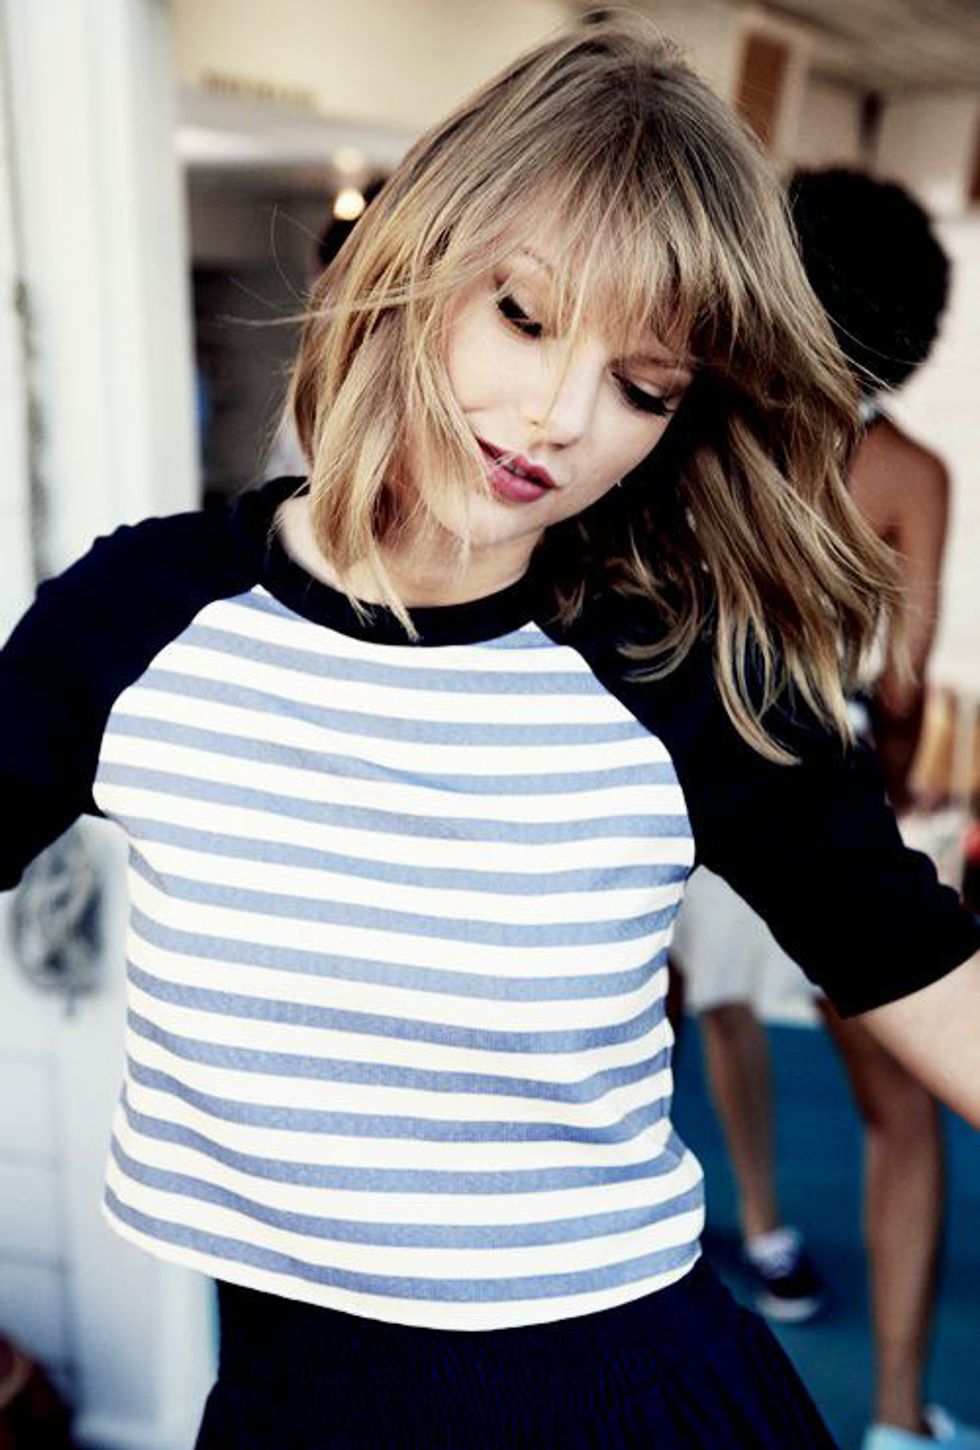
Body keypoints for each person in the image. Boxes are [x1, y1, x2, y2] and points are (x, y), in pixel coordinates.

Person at [2, 23, 979, 1449]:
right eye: (522, 315)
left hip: (618, 1407)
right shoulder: (140, 619)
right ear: (417, 261)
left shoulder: (682, 676)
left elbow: (931, 981)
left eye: (642, 387)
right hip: (283, 1409)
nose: (557, 418)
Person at [672, 170, 980, 1450]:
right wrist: (906, 771)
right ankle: (900, 1417)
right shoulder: (906, 470)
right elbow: (898, 689)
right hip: (835, 810)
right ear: (910, 322)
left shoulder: (696, 431)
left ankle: (762, 1229)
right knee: (897, 1114)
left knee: (724, 1014)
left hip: (701, 794)